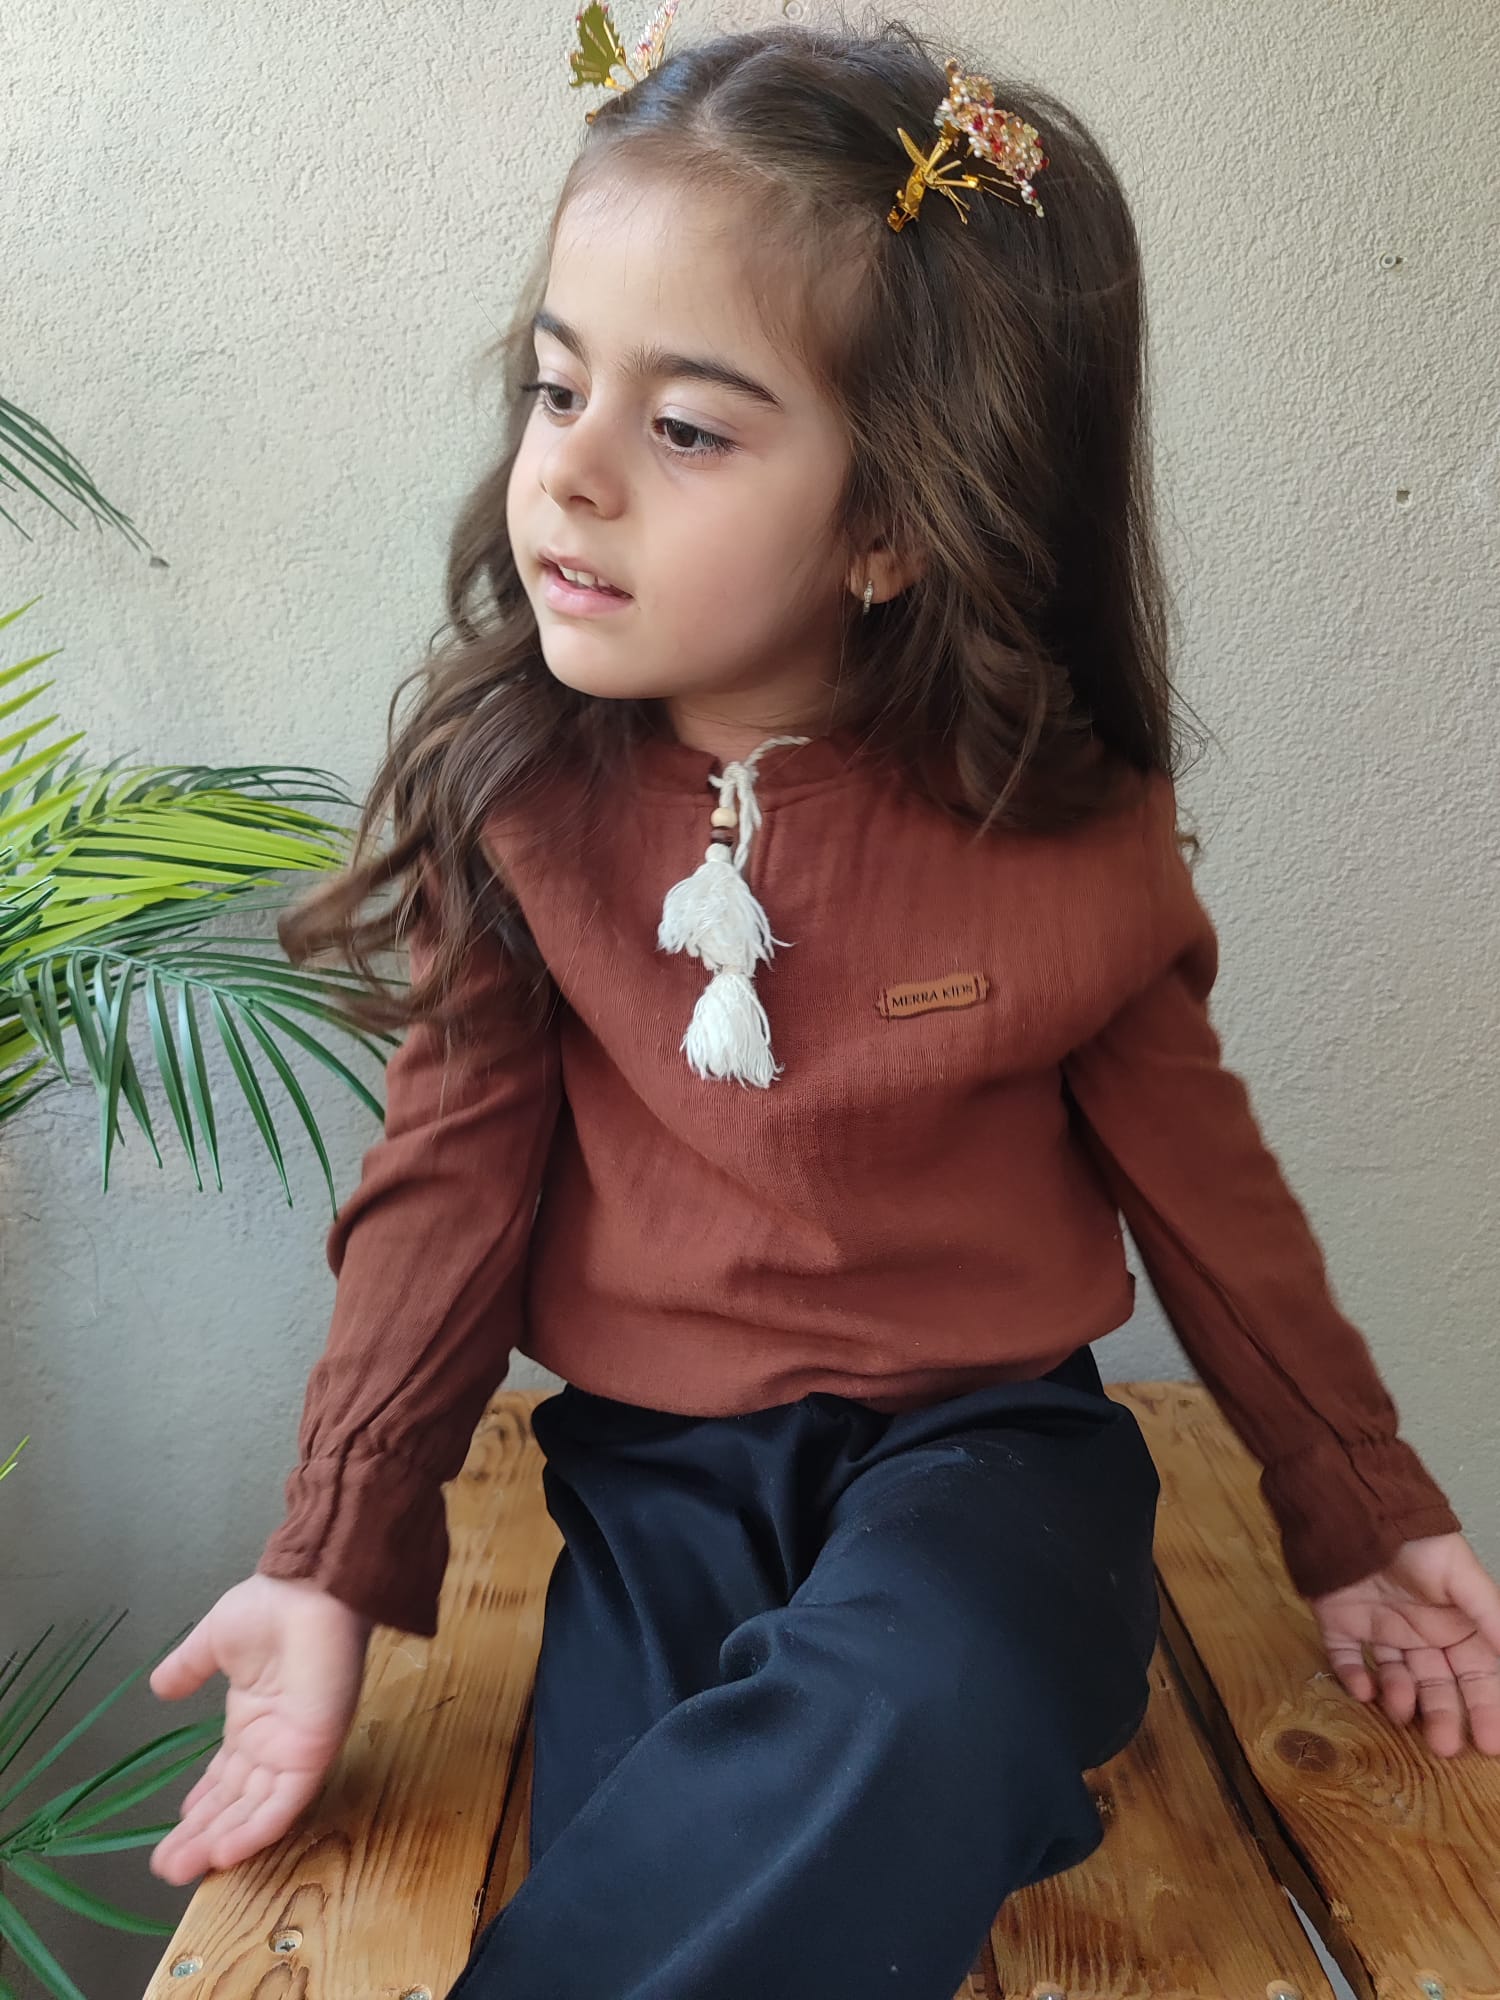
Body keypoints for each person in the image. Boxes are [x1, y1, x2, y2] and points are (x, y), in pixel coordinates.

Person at [146, 16, 1500, 1999]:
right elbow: (442, 1191)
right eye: (555, 388)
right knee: (682, 1824)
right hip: (655, 1478)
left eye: (687, 430)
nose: (566, 474)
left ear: (893, 523)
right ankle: (942, 1776)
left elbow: (1211, 1198)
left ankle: (963, 1737)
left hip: (992, 1459)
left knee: (927, 1684)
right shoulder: (529, 802)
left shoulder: (1065, 828)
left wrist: (1362, 1511)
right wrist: (327, 1559)